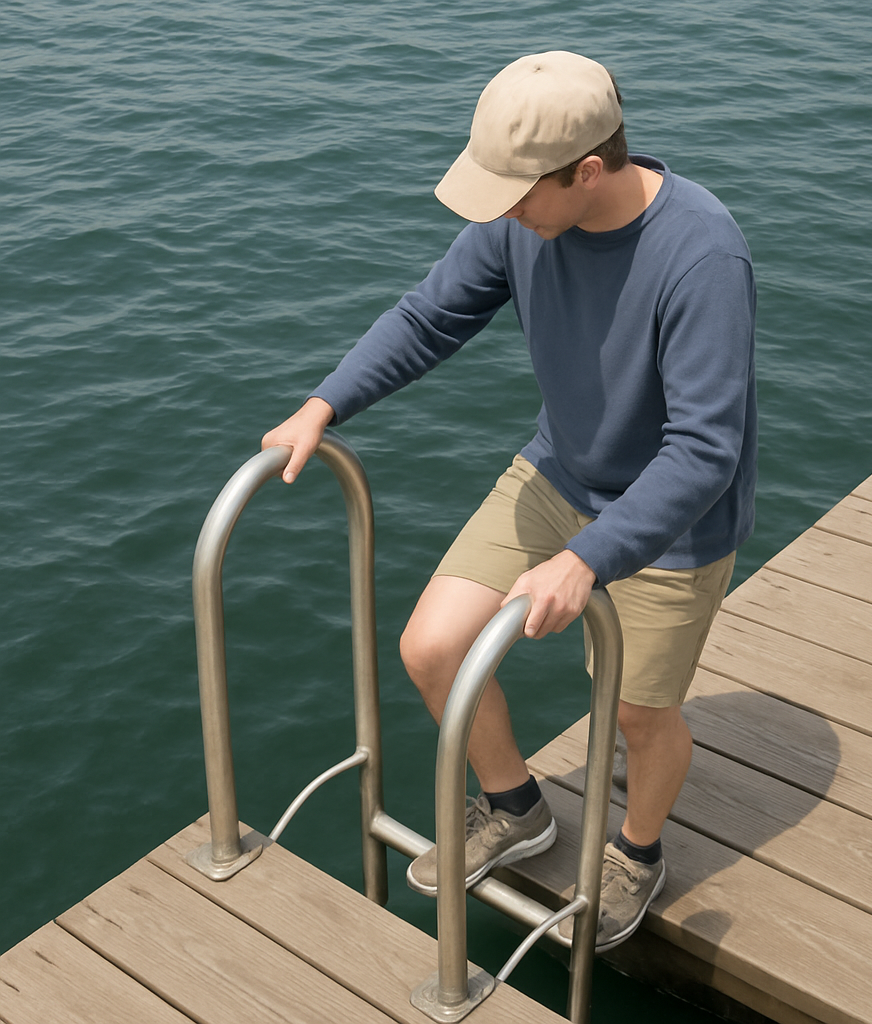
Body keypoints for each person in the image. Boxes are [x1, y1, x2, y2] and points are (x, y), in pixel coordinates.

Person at [262, 50, 757, 952]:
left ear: (589, 172)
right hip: (556, 475)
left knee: (638, 714)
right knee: (431, 648)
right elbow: (428, 317)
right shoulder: (520, 219)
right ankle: (517, 808)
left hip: (672, 518)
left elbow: (705, 450)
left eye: (519, 194)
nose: (503, 213)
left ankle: (638, 853)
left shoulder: (702, 254)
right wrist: (322, 404)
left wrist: (591, 557)